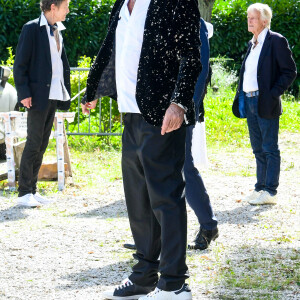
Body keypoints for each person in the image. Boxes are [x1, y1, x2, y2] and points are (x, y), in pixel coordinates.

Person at [81, 0, 201, 299]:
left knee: (165, 197)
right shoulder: (122, 4)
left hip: (163, 115)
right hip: (130, 114)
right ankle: (145, 275)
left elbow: (192, 56)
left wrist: (179, 103)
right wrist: (94, 86)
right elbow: (112, 46)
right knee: (138, 199)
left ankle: (174, 283)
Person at [123, 18, 218, 252]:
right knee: (150, 168)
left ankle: (208, 225)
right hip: (153, 110)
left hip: (178, 111)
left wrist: (183, 108)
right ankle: (150, 236)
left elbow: (200, 69)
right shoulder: (156, 15)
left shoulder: (194, 21)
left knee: (183, 167)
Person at [232, 3, 296, 205]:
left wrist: (272, 93)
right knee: (257, 148)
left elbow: (289, 71)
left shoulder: (276, 40)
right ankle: (260, 187)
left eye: (253, 17)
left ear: (265, 21)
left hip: (265, 101)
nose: (249, 20)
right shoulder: (253, 44)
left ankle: (270, 191)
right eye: (248, 17)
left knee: (269, 148)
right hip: (249, 100)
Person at [14, 0, 71, 207]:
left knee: (43, 143)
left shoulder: (58, 30)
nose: (68, 10)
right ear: (53, 7)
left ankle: (32, 190)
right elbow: (20, 64)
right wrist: (24, 93)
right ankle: (23, 193)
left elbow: (60, 63)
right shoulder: (31, 29)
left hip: (53, 95)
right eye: (66, 6)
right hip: (37, 96)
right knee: (34, 142)